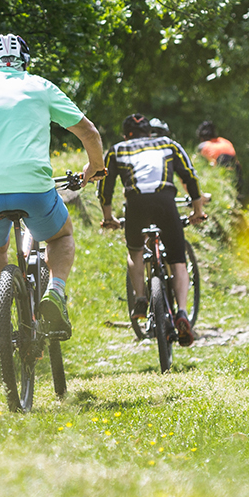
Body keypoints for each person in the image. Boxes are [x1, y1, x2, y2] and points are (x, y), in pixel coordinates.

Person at [0, 34, 106, 343]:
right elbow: (89, 132)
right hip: (33, 186)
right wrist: (95, 167)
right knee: (62, 236)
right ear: (25, 60)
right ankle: (55, 291)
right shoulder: (40, 86)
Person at [99, 114, 206, 346]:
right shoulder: (169, 144)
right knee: (178, 260)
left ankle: (140, 298)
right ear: (150, 133)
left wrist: (108, 218)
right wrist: (197, 211)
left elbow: (105, 187)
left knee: (135, 251)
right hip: (165, 201)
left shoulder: (118, 149)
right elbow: (190, 175)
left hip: (135, 204)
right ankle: (183, 313)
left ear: (125, 134)